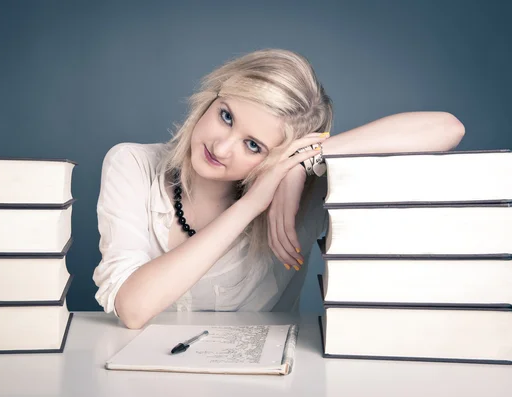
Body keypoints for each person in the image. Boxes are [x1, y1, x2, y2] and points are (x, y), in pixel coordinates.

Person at [92, 49, 465, 329]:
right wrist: (252, 203)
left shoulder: (303, 195)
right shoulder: (133, 165)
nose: (221, 148)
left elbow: (447, 128)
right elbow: (133, 309)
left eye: (253, 146)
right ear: (212, 97)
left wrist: (301, 161)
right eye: (226, 116)